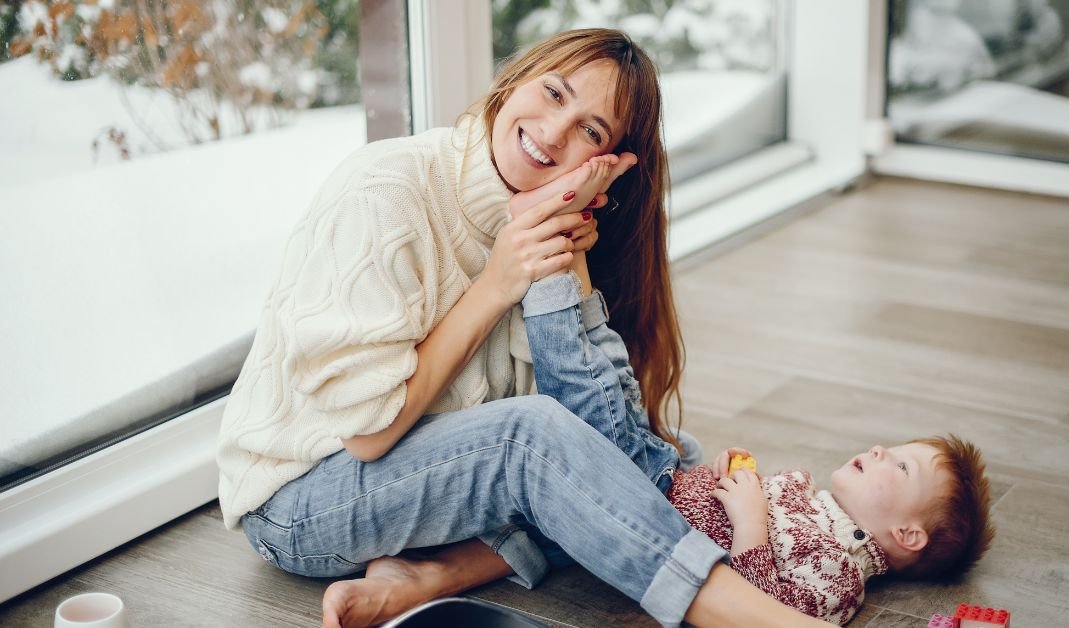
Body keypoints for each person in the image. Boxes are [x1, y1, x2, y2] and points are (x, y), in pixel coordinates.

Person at [217, 28, 833, 628]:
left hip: (417, 479)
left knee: (660, 461)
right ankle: (752, 618)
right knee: (539, 444)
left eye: (591, 131)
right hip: (300, 501)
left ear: (608, 165)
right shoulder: (385, 190)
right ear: (513, 80)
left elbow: (600, 432)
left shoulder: (540, 218)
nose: (554, 132)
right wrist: (497, 282)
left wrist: (565, 249)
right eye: (554, 92)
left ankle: (432, 576)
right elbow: (368, 435)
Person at [492, 197, 995, 626]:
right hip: (663, 480)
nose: (882, 450)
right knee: (619, 381)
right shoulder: (814, 505)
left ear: (908, 535)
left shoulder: (840, 580)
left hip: (642, 505)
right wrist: (725, 479)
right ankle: (568, 246)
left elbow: (754, 609)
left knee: (587, 390)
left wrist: (750, 517)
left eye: (902, 467)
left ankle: (546, 265)